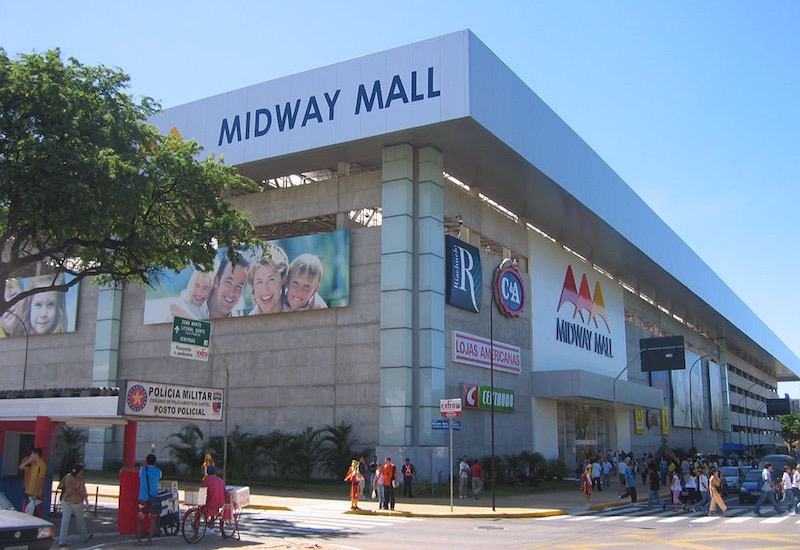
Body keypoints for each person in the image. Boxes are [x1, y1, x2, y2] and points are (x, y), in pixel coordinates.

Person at [247, 244, 289, 315]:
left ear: (283, 279)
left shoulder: (300, 310)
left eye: (271, 279)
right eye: (259, 282)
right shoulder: (248, 323)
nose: (265, 289)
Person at [57, 462, 92, 547]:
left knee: (65, 521)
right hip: (77, 501)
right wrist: (87, 503)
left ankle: (62, 541)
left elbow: (60, 486)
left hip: (66, 499)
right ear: (80, 471)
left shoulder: (67, 476)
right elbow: (83, 492)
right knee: (80, 520)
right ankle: (84, 537)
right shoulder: (80, 480)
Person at [207, 254, 250, 318]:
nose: (232, 292)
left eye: (239, 287)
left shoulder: (241, 325)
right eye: (228, 282)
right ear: (216, 281)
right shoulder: (191, 309)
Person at [137, 453, 162, 546]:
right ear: (155, 462)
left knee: (140, 519)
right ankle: (149, 540)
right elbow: (159, 477)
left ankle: (139, 540)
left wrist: (142, 464)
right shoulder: (158, 471)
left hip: (142, 498)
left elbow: (139, 468)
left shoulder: (142, 470)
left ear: (146, 461)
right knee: (153, 520)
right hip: (153, 499)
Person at [19, 447, 47, 515]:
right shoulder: (32, 463)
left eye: (32, 454)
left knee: (34, 509)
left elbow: (40, 480)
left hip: (34, 491)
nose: (31, 455)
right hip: (28, 489)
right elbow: (21, 467)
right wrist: (28, 461)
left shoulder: (42, 465)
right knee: (28, 508)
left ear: (36, 454)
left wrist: (35, 493)